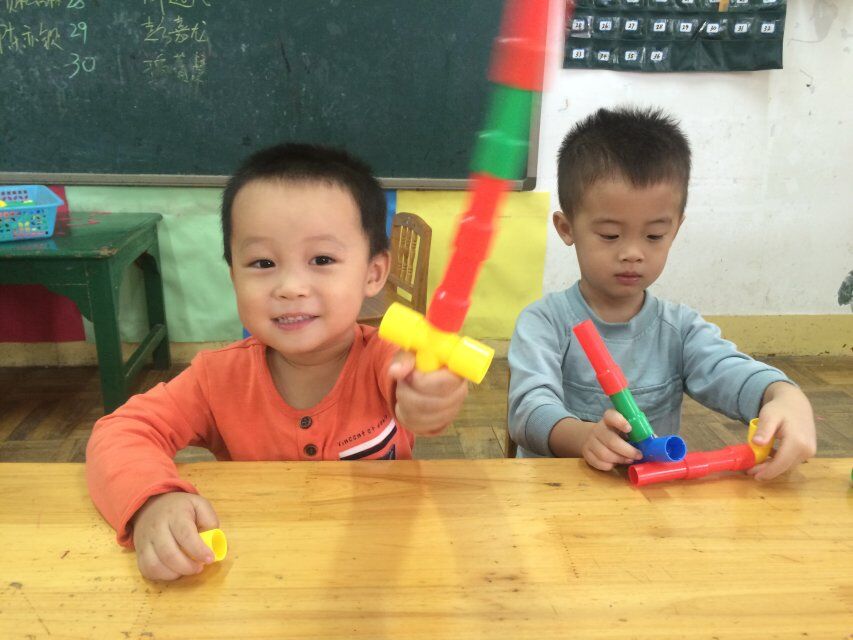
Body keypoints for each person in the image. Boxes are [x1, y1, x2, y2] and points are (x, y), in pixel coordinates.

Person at [87, 143, 468, 581]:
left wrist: (430, 397)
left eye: (322, 259)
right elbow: (120, 432)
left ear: (373, 274)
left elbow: (417, 399)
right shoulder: (216, 378)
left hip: (381, 567)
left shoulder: (387, 360)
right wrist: (152, 501)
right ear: (234, 276)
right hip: (260, 574)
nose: (290, 286)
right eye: (263, 262)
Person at [508, 106, 816, 480]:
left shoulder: (680, 329)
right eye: (610, 235)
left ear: (675, 229)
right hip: (552, 496)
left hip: (648, 501)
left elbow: (730, 372)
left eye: (654, 235)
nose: (632, 252)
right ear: (566, 228)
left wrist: (784, 395)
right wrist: (583, 437)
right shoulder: (544, 322)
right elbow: (527, 411)